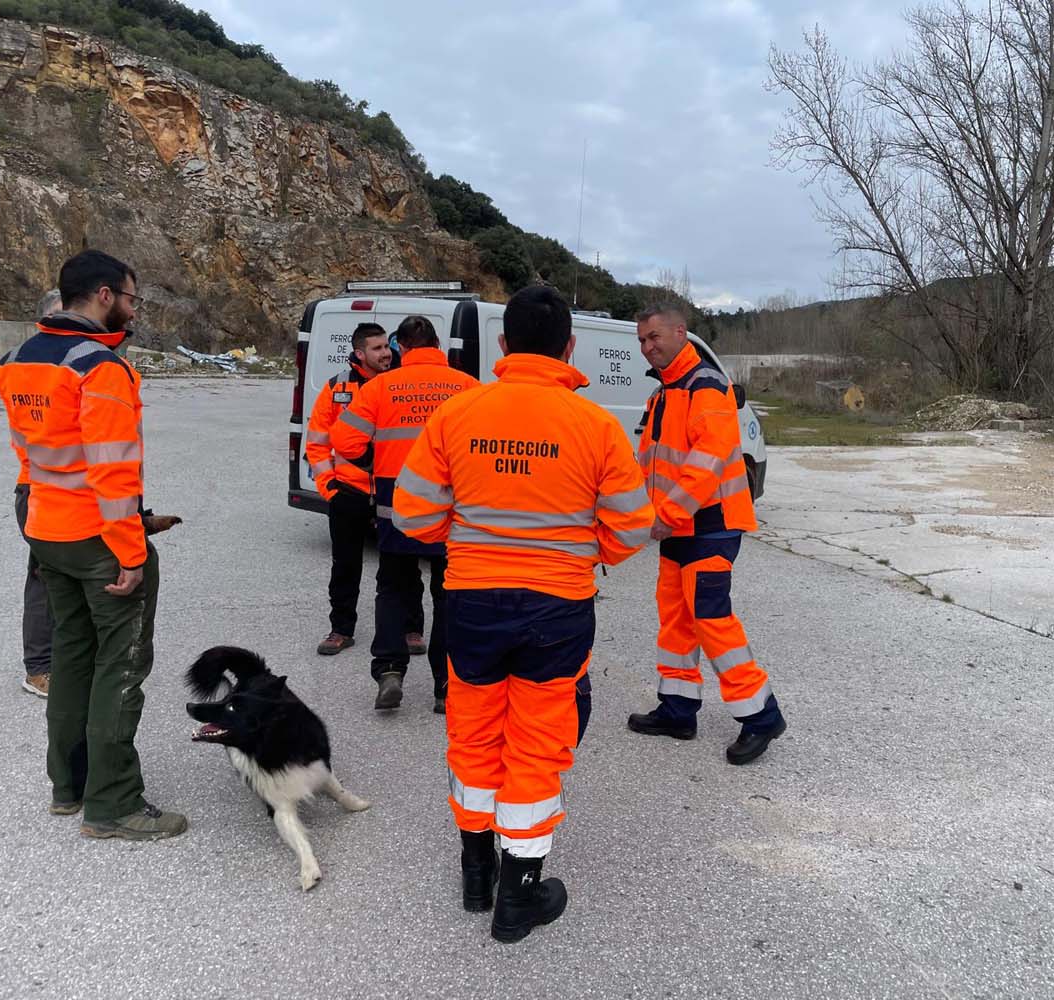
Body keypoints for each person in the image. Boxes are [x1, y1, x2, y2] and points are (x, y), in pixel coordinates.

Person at [393, 284, 653, 943]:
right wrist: (569, 548)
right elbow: (629, 531)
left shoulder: (458, 414)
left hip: (473, 601)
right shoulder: (594, 425)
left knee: (473, 733)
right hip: (558, 606)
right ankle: (520, 894)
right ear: (569, 348)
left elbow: (413, 517)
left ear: (503, 346)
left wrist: (472, 531)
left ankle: (474, 871)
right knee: (538, 742)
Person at [0, 249, 187, 840]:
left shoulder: (17, 360)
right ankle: (114, 804)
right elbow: (112, 472)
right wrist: (131, 552)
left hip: (47, 531)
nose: (132, 309)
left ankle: (68, 786)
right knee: (121, 665)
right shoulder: (101, 369)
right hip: (99, 538)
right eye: (131, 298)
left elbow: (29, 459)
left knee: (72, 656)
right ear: (104, 295)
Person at [626, 302, 788, 765]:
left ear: (681, 332)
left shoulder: (706, 387)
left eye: (654, 336)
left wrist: (664, 515)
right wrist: (637, 510)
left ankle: (761, 716)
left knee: (711, 618)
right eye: (641, 340)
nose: (647, 346)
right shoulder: (662, 395)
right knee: (675, 617)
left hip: (711, 526)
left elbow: (706, 464)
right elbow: (649, 467)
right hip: (681, 527)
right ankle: (678, 710)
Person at [331, 315, 479, 713]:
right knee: (450, 595)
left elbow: (343, 440)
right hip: (453, 511)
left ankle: (390, 670)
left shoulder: (380, 387)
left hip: (396, 507)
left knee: (393, 588)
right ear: (438, 345)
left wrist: (373, 460)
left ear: (401, 348)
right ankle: (446, 686)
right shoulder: (468, 388)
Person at [305, 322, 425, 657]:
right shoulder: (336, 388)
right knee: (344, 567)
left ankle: (412, 628)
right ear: (359, 353)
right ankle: (341, 629)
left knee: (404, 566)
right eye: (377, 348)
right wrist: (331, 489)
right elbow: (316, 444)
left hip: (394, 493)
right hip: (348, 494)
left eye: (387, 346)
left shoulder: (400, 385)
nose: (386, 353)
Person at [12, 288, 63, 698]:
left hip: (58, 488)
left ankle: (60, 660)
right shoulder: (33, 366)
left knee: (64, 577)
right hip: (41, 488)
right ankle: (39, 669)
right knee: (44, 580)